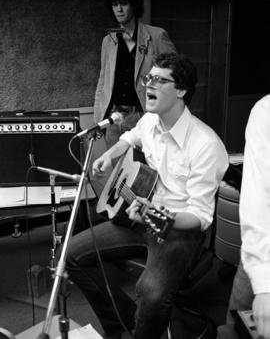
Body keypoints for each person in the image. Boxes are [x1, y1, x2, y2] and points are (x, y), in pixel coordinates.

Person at [66, 53, 228, 339]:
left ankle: (145, 325)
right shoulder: (149, 121)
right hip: (139, 218)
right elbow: (131, 137)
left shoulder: (205, 145)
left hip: (177, 229)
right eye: (148, 78)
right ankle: (126, 324)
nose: (148, 85)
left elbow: (200, 217)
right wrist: (110, 153)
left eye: (158, 80)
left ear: (181, 90)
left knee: (151, 294)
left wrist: (154, 215)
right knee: (71, 255)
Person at [93, 0, 176, 148]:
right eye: (115, 4)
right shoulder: (108, 41)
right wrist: (98, 118)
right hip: (114, 118)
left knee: (144, 171)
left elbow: (176, 77)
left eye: (124, 3)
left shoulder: (156, 36)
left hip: (143, 116)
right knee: (117, 171)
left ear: (134, 5)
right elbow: (103, 81)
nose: (119, 9)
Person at [227, 95, 270, 339]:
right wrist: (265, 287)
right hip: (264, 249)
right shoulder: (266, 112)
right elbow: (258, 198)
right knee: (233, 331)